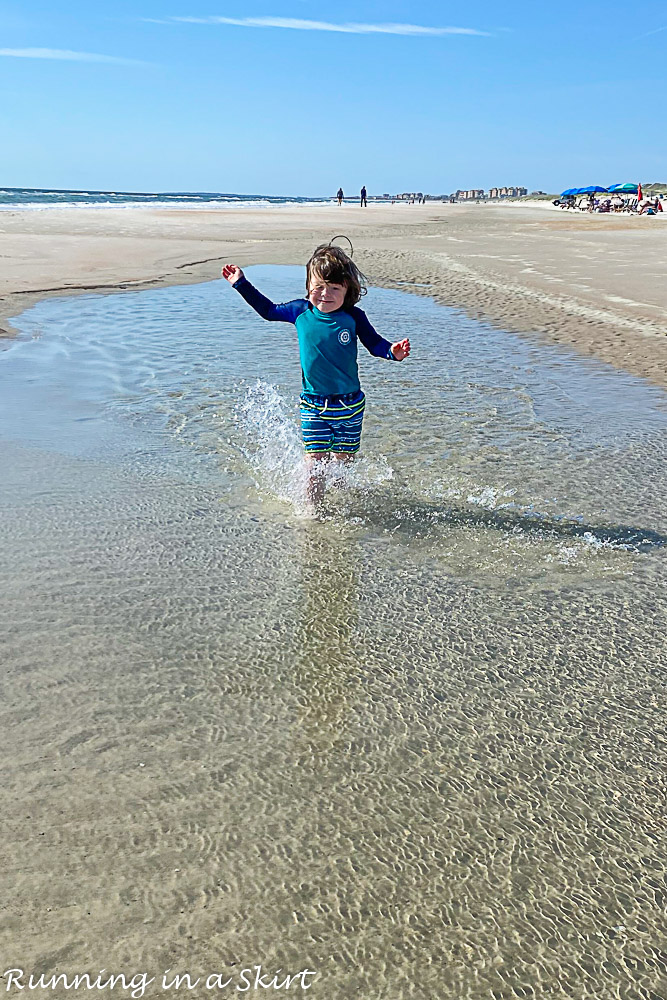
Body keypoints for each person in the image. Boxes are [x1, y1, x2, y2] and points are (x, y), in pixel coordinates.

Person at [221, 242, 410, 507]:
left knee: (344, 463)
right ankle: (313, 511)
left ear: (348, 290)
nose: (325, 294)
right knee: (314, 462)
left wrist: (392, 351)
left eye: (334, 288)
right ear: (309, 284)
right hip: (313, 406)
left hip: (351, 406)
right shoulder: (300, 311)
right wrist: (240, 283)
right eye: (319, 286)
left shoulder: (353, 317)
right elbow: (267, 310)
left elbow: (375, 344)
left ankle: (342, 503)